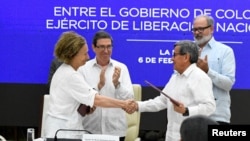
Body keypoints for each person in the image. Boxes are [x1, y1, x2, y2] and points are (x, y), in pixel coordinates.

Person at [43, 31, 134, 139]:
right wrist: (124, 104)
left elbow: (79, 102)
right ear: (73, 54)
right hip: (64, 133)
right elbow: (96, 100)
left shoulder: (65, 71)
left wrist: (87, 108)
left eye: (109, 46)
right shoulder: (70, 75)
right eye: (85, 53)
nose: (87, 57)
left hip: (65, 132)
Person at [131, 40, 216, 141]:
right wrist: (137, 106)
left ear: (186, 57)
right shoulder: (175, 77)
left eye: (174, 55)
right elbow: (162, 101)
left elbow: (210, 107)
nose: (172, 59)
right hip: (171, 136)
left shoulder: (200, 77)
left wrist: (187, 110)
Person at [77, 30, 134, 141]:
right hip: (89, 130)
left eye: (109, 47)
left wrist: (117, 84)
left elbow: (129, 99)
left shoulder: (121, 68)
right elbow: (81, 100)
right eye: (102, 47)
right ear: (93, 47)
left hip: (115, 130)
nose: (106, 51)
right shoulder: (83, 69)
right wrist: (99, 86)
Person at [192, 15, 236, 125]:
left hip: (216, 116)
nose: (197, 33)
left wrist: (207, 71)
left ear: (212, 29)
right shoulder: (188, 50)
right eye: (195, 29)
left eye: (201, 29)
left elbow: (228, 84)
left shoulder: (225, 51)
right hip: (190, 116)